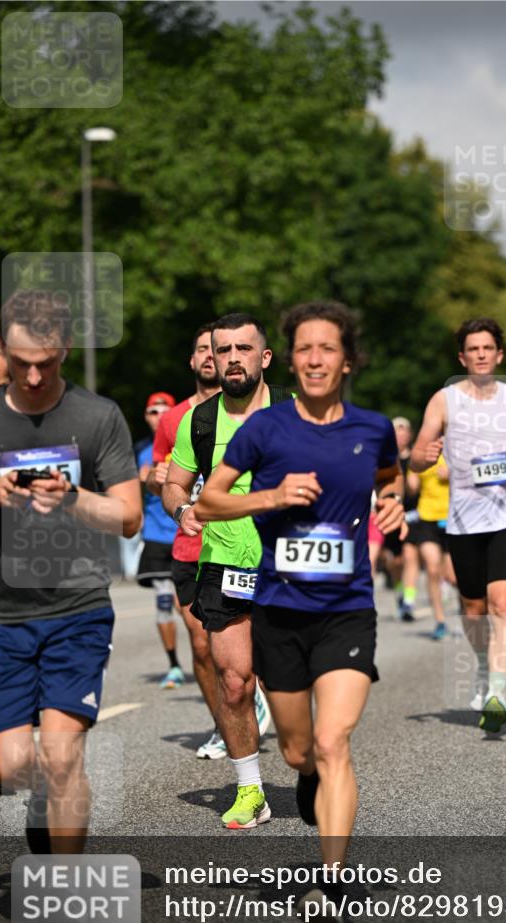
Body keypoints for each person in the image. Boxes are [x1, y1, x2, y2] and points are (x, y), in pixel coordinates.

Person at [196, 300, 403, 888]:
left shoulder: (373, 428)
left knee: (334, 739)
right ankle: (306, 772)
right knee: (296, 750)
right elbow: (209, 502)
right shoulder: (265, 428)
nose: (315, 359)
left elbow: (391, 480)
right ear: (291, 357)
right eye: (305, 349)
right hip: (280, 611)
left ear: (348, 361)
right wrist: (270, 498)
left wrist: (393, 502)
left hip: (347, 610)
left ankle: (331, 882)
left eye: (327, 348)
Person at [0, 290, 141, 852]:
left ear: (66, 347)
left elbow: (129, 518)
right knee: (13, 766)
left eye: (47, 362)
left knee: (64, 756)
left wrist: (72, 499)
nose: (35, 375)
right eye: (22, 365)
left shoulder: (97, 417)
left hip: (77, 608)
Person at [163, 313, 284, 829]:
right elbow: (174, 483)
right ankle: (251, 788)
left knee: (291, 682)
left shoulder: (297, 414)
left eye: (242, 348)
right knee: (234, 682)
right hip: (224, 562)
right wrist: (180, 510)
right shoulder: (199, 420)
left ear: (264, 357)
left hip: (289, 566)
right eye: (223, 349)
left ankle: (311, 760)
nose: (231, 358)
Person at [411, 317, 506, 732]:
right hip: (465, 519)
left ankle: (497, 692)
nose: (481, 354)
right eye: (474, 349)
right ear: (462, 356)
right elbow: (415, 458)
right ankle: (484, 667)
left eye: (488, 348)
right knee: (473, 607)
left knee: (503, 604)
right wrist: (423, 458)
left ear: (499, 355)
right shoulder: (444, 400)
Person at [145, 325, 223, 750]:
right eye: (201, 350)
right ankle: (223, 726)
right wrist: (155, 479)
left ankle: (254, 700)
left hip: (244, 542)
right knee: (202, 643)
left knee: (249, 644)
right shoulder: (174, 419)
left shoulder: (252, 411)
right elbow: (157, 477)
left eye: (217, 349)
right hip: (190, 544)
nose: (210, 356)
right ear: (192, 361)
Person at [134, 391, 185, 687]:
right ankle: (175, 665)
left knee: (186, 605)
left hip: (186, 532)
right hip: (155, 535)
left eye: (164, 410)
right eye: (153, 411)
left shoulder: (187, 444)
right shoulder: (138, 450)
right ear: (146, 416)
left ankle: (206, 656)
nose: (158, 416)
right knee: (164, 601)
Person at [411, 453, 457, 640]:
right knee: (432, 569)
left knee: (454, 577)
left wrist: (453, 474)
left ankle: (468, 607)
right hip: (427, 518)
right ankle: (440, 621)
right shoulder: (424, 451)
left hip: (453, 517)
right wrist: (411, 479)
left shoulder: (456, 448)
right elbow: (412, 483)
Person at [389, 417, 420, 622]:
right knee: (395, 562)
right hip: (390, 514)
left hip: (413, 515)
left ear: (409, 435)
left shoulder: (416, 459)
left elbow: (415, 488)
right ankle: (400, 592)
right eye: (396, 431)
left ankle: (409, 601)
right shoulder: (384, 458)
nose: (400, 435)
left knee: (410, 557)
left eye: (403, 431)